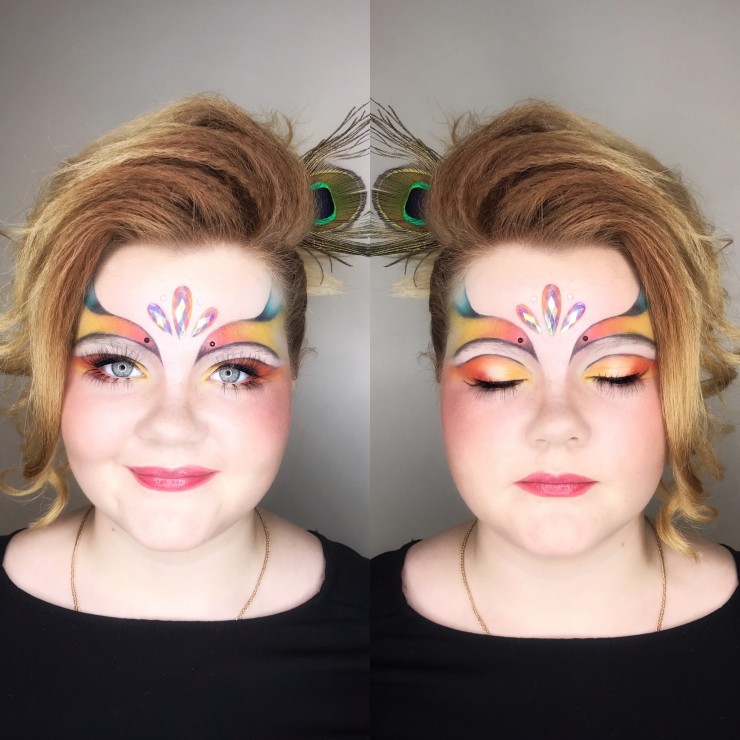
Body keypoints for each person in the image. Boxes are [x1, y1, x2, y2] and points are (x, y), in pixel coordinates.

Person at [0, 95, 368, 736]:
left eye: (234, 370)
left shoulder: (376, 632)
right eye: (118, 365)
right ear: (57, 370)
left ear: (294, 372)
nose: (171, 426)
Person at [371, 102, 740, 737]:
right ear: (439, 374)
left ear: (675, 381)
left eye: (616, 372)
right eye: (498, 376)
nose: (556, 424)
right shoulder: (357, 634)